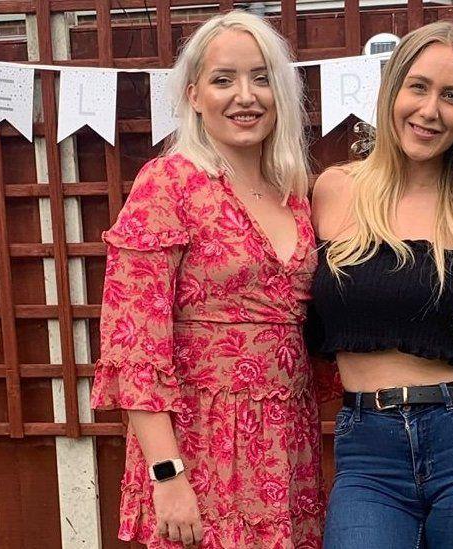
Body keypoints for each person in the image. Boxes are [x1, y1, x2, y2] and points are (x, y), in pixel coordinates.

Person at [91, 10, 324, 548]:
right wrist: (167, 475)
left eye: (261, 78)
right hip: (200, 447)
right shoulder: (169, 183)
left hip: (287, 447)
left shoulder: (293, 193)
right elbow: (133, 341)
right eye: (225, 80)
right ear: (195, 95)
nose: (246, 96)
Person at [308, 21, 453, 549]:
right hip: (368, 450)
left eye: (452, 96)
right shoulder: (336, 191)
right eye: (418, 86)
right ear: (393, 91)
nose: (430, 110)